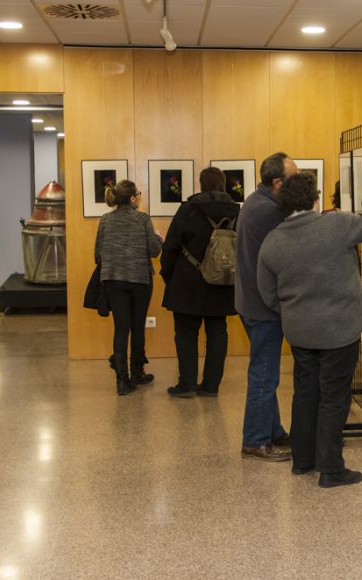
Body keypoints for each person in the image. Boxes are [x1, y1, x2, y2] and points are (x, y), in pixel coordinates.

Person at [257, 173, 362, 487]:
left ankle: (303, 461)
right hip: (339, 330)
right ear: (314, 199)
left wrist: (294, 312)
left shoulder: (272, 241)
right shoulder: (336, 225)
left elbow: (267, 293)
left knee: (305, 393)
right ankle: (331, 469)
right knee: (335, 398)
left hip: (300, 332)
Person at [235, 151, 298, 462]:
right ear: (277, 182)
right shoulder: (269, 212)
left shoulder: (257, 200)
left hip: (251, 302)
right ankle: (255, 440)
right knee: (264, 374)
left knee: (266, 371)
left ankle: (273, 431)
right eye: (294, 178)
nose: (298, 184)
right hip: (262, 307)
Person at [160, 167, 240, 398]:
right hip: (224, 282)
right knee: (218, 331)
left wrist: (170, 278)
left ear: (201, 184)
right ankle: (211, 386)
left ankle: (186, 385)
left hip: (188, 282)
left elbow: (171, 248)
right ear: (223, 184)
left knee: (186, 332)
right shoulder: (237, 211)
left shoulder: (189, 210)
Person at [95, 180, 162, 395]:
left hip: (113, 280)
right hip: (140, 280)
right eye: (138, 194)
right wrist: (159, 239)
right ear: (132, 198)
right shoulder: (143, 219)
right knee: (137, 326)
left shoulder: (105, 220)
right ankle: (138, 372)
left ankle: (122, 381)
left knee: (121, 328)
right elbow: (154, 251)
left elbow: (98, 254)